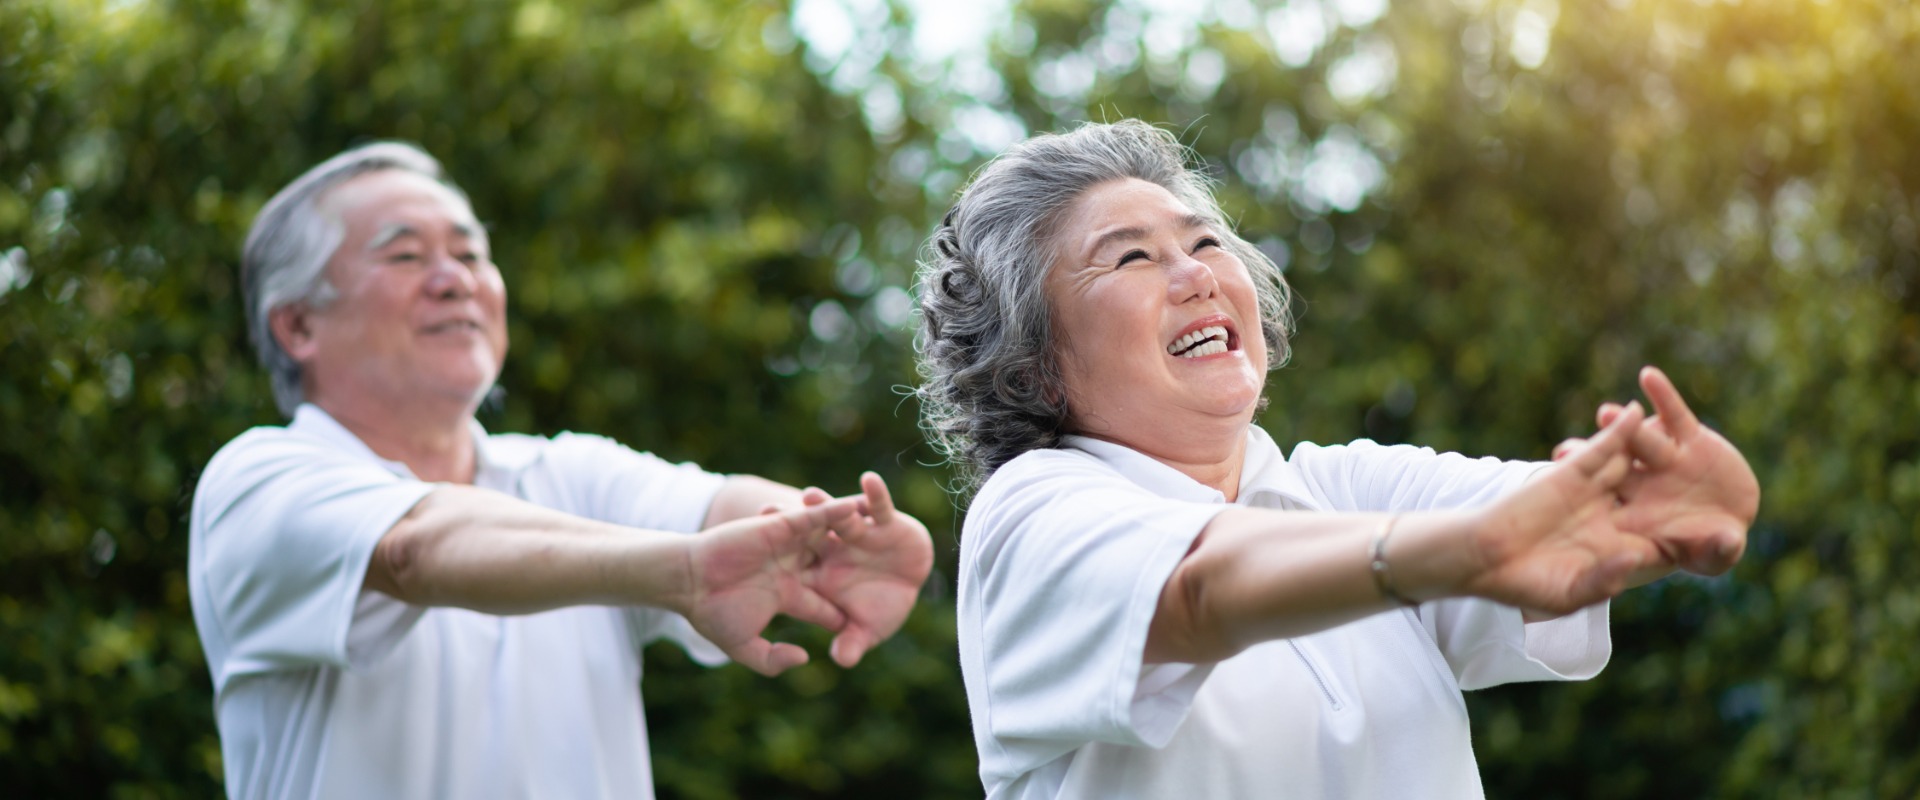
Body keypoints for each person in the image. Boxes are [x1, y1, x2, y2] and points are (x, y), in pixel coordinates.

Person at [914, 120, 1759, 800]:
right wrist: (1466, 550)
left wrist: (1652, 498)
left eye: (1205, 242)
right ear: (1031, 363)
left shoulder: (1341, 486)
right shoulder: (1028, 516)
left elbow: (1555, 521)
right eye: (1131, 256)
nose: (1195, 275)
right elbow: (1201, 588)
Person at [188, 142, 934, 800]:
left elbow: (725, 514)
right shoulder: (258, 480)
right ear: (298, 325)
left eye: (472, 253)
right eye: (406, 255)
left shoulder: (569, 473)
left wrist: (830, 539)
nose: (455, 279)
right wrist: (682, 571)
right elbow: (414, 547)